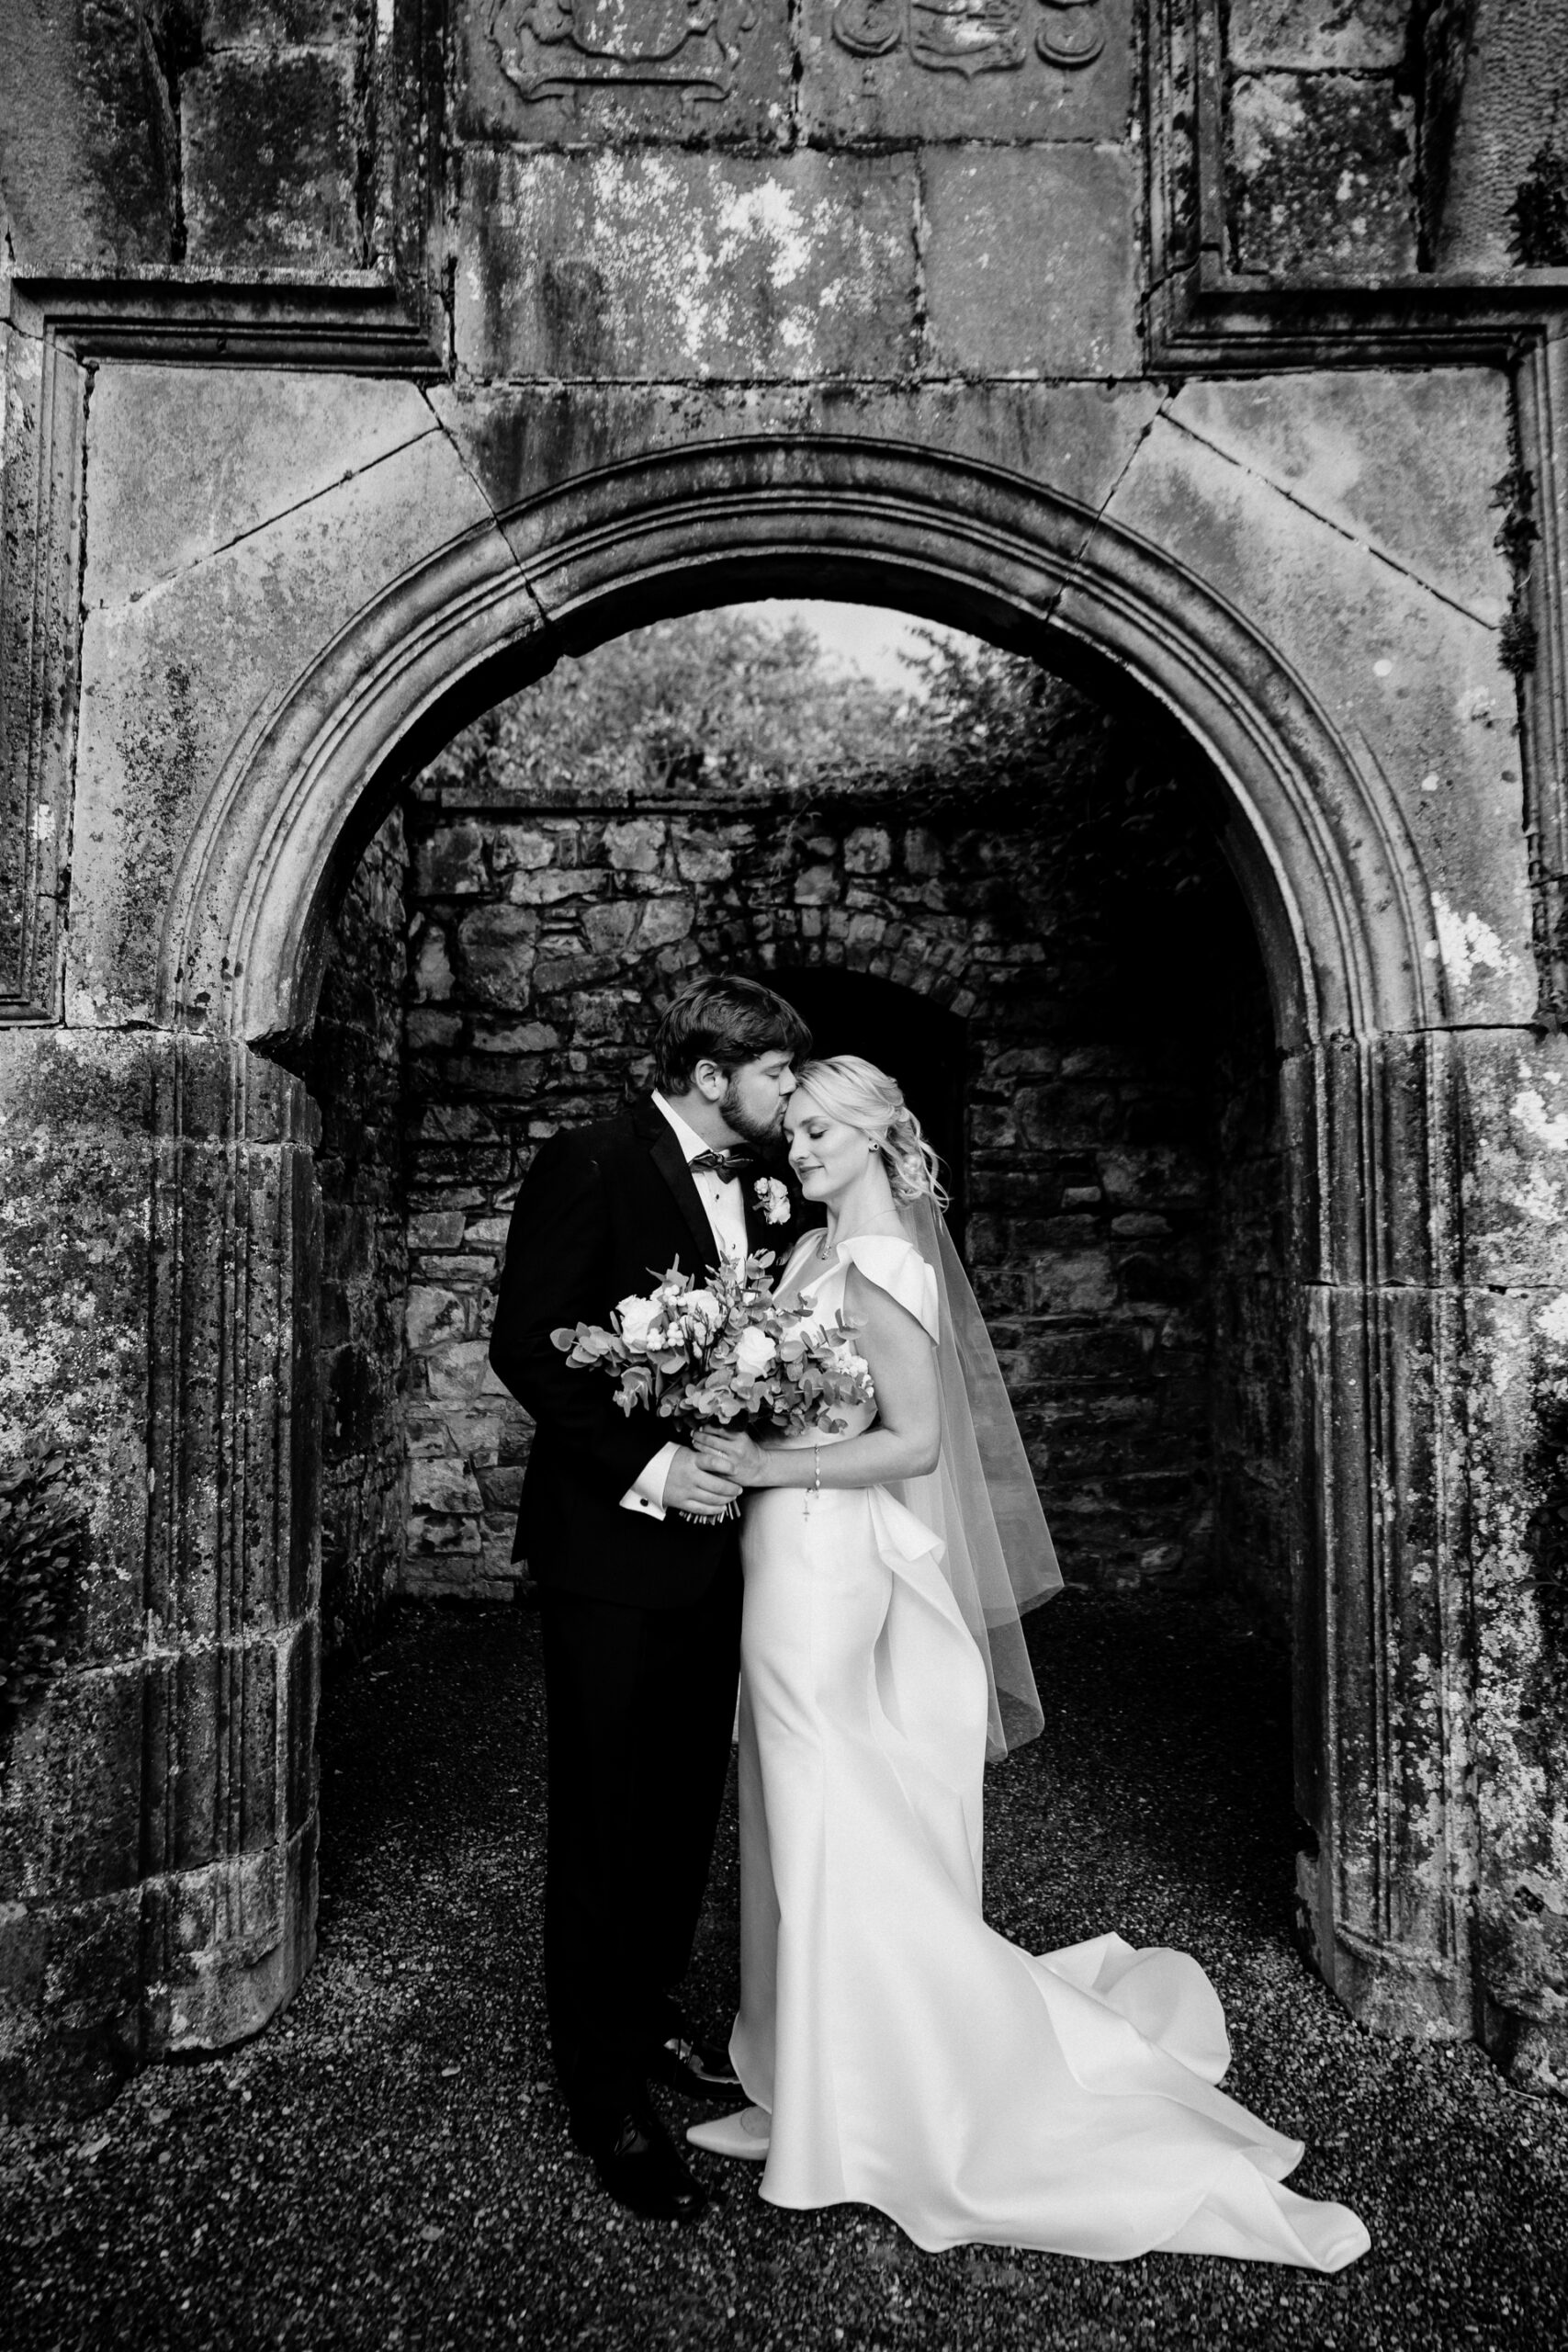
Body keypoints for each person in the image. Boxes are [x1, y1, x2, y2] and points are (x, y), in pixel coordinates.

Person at [688, 1056, 1371, 2271]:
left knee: (819, 1809)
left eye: (813, 1131)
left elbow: (912, 1444)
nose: (793, 1147)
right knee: (785, 1816)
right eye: (789, 1131)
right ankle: (793, 2075)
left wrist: (769, 1467)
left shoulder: (887, 1259)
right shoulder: (813, 1250)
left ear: (870, 1134)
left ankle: (855, 2101)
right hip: (782, 1550)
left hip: (822, 1558)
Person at [489, 974, 815, 2223]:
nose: (790, 1091)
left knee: (683, 1808)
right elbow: (531, 1342)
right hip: (613, 1557)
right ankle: (601, 2093)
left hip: (728, 1558)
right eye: (777, 1071)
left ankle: (652, 2006)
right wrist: (656, 1467)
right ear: (709, 1070)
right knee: (605, 1815)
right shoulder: (591, 1160)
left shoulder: (769, 1188)